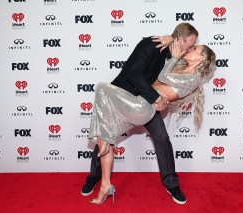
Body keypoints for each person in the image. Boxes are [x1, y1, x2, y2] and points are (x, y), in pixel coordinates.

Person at [82, 23, 199, 205]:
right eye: (189, 45)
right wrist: (155, 98)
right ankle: (94, 177)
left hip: (146, 104)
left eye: (193, 47)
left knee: (161, 137)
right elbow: (133, 72)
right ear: (180, 39)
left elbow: (194, 66)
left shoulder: (177, 56)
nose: (190, 49)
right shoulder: (151, 44)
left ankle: (171, 183)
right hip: (122, 100)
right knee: (105, 136)